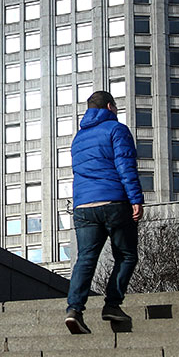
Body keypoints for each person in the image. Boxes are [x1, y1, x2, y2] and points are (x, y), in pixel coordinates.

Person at [65, 90, 144, 334]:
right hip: (113, 202)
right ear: (110, 107)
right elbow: (125, 166)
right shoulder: (116, 129)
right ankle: (112, 304)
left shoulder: (78, 138)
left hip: (83, 207)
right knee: (127, 255)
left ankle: (74, 310)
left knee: (86, 258)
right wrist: (136, 199)